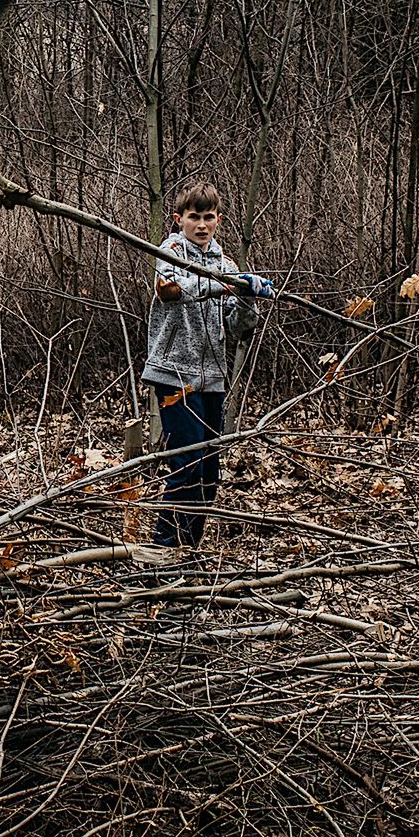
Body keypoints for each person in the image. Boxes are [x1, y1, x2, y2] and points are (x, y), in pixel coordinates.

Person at [130, 181, 274, 565]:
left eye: (208, 217)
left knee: (209, 473)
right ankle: (162, 551)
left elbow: (239, 326)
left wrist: (246, 295)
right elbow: (172, 288)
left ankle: (187, 550)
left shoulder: (227, 265)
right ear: (179, 220)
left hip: (212, 377)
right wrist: (222, 284)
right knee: (187, 464)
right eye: (194, 217)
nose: (201, 224)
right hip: (174, 374)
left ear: (218, 221)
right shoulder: (170, 252)